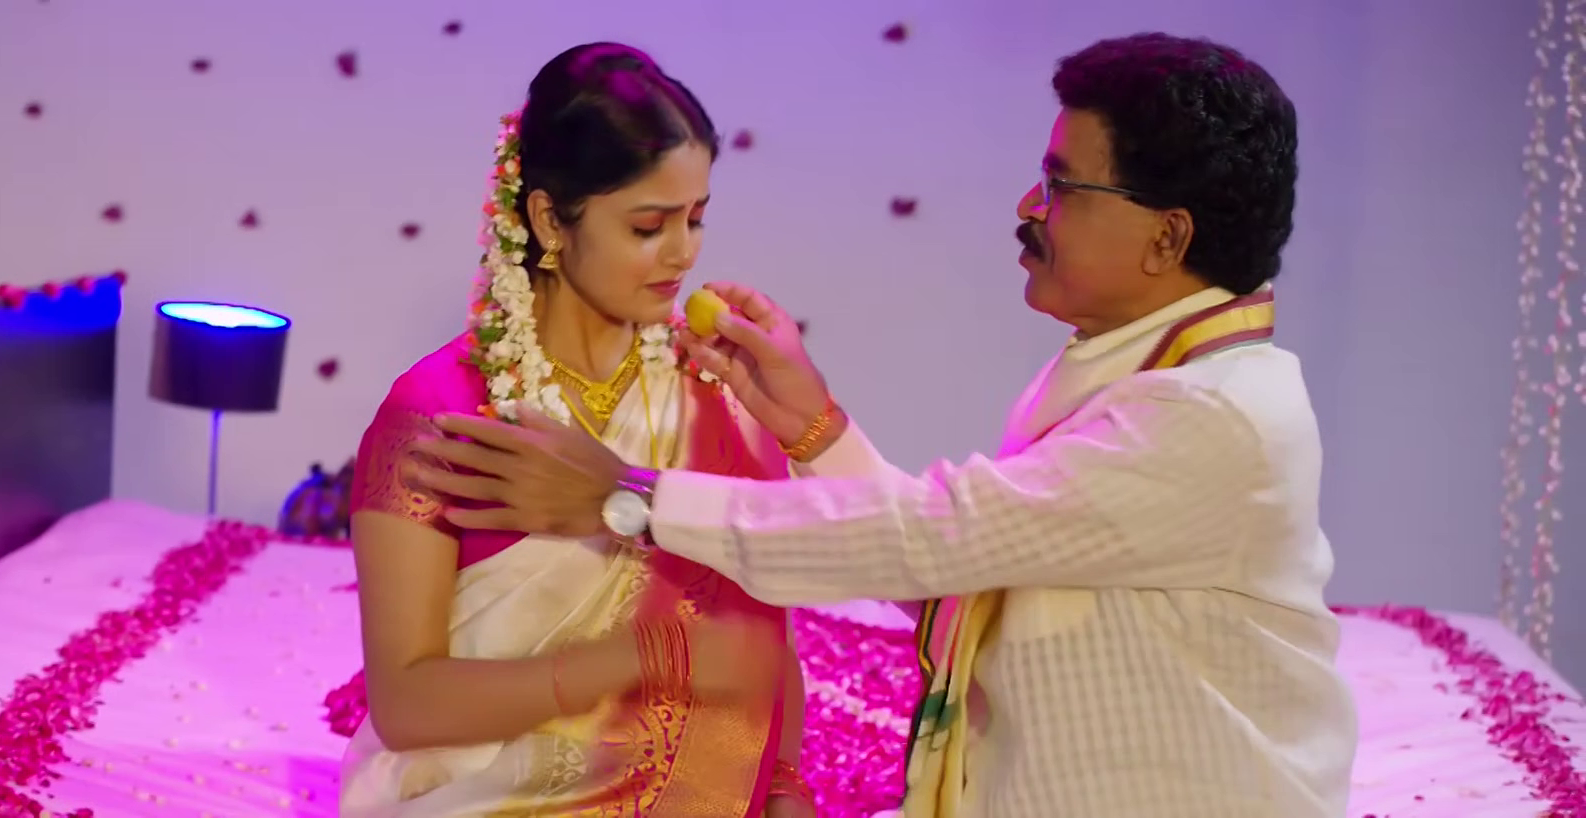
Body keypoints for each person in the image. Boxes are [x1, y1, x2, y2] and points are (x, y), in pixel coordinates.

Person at [406, 32, 1359, 818]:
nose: (1030, 207)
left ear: (1168, 236)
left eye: (1063, 186)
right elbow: (964, 566)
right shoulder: (1133, 371)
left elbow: (934, 539)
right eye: (649, 224)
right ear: (551, 218)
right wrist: (812, 429)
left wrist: (626, 499)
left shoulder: (1212, 417)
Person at [339, 42, 817, 817]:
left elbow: (767, 638)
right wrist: (636, 660)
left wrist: (787, 786)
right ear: (548, 220)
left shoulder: (716, 392)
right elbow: (406, 706)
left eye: (696, 218)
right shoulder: (442, 411)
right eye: (648, 226)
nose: (683, 253)